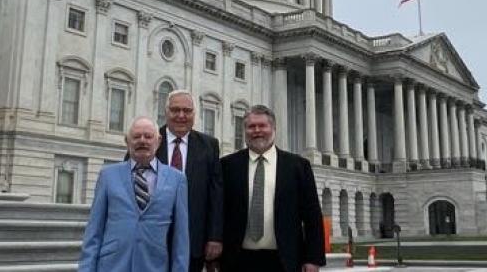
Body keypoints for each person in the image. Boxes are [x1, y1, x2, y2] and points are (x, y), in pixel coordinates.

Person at [220, 104, 326, 272]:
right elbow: (219, 212)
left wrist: (313, 259)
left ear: (273, 128)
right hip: (237, 259)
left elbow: (312, 215)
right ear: (245, 130)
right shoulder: (227, 165)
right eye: (251, 126)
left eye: (262, 125)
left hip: (284, 259)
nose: (257, 131)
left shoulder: (297, 166)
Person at [79, 117, 189, 272]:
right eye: (136, 136)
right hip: (112, 266)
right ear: (127, 141)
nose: (142, 141)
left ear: (158, 141)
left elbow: (181, 239)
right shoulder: (108, 176)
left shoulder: (177, 179)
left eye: (148, 137)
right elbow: (94, 231)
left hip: (153, 266)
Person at [158, 90, 223, 272]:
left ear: (194, 114)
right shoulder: (148, 139)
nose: (181, 116)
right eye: (175, 110)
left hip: (193, 241)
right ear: (166, 112)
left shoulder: (209, 145)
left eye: (187, 111)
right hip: (151, 241)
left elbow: (216, 194)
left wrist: (215, 236)